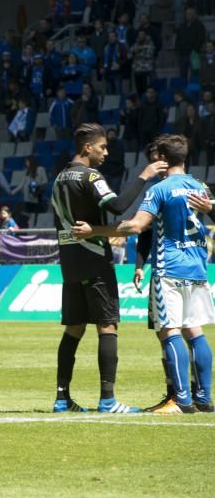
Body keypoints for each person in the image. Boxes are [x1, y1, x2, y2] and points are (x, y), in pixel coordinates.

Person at [73, 134, 213, 413]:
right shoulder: (201, 186)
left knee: (169, 331)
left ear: (162, 158)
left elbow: (136, 226)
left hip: (169, 269)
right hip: (197, 268)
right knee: (194, 331)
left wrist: (95, 231)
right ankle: (204, 398)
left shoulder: (159, 190)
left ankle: (182, 400)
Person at [49, 123, 166, 413]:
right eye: (102, 146)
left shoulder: (59, 177)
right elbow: (117, 206)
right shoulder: (90, 176)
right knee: (107, 325)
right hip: (94, 259)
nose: (105, 152)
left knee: (74, 328)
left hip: (69, 262)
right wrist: (144, 176)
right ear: (87, 147)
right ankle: (108, 399)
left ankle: (62, 398)